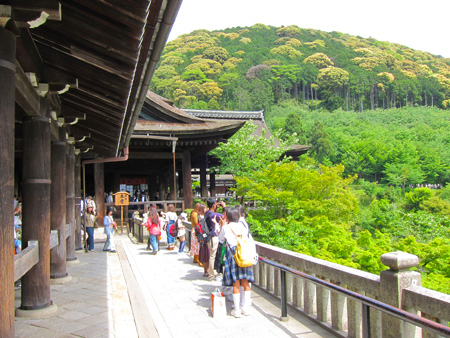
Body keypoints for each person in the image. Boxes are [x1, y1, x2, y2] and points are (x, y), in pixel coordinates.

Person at [218, 207, 254, 318]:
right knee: (245, 282)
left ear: (228, 216)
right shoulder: (242, 226)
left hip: (232, 256)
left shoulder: (226, 227)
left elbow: (220, 240)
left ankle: (237, 310)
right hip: (244, 255)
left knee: (236, 283)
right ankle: (245, 308)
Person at [205, 197, 225, 279]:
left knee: (212, 255)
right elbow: (225, 216)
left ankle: (212, 272)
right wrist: (224, 207)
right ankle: (211, 274)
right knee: (212, 256)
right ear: (213, 205)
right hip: (213, 236)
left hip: (209, 236)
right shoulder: (213, 215)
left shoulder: (207, 213)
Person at [198, 204, 210, 277]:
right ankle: (206, 270)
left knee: (205, 254)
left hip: (202, 237)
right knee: (206, 254)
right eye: (205, 208)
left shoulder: (200, 216)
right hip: (205, 236)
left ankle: (206, 270)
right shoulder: (202, 217)